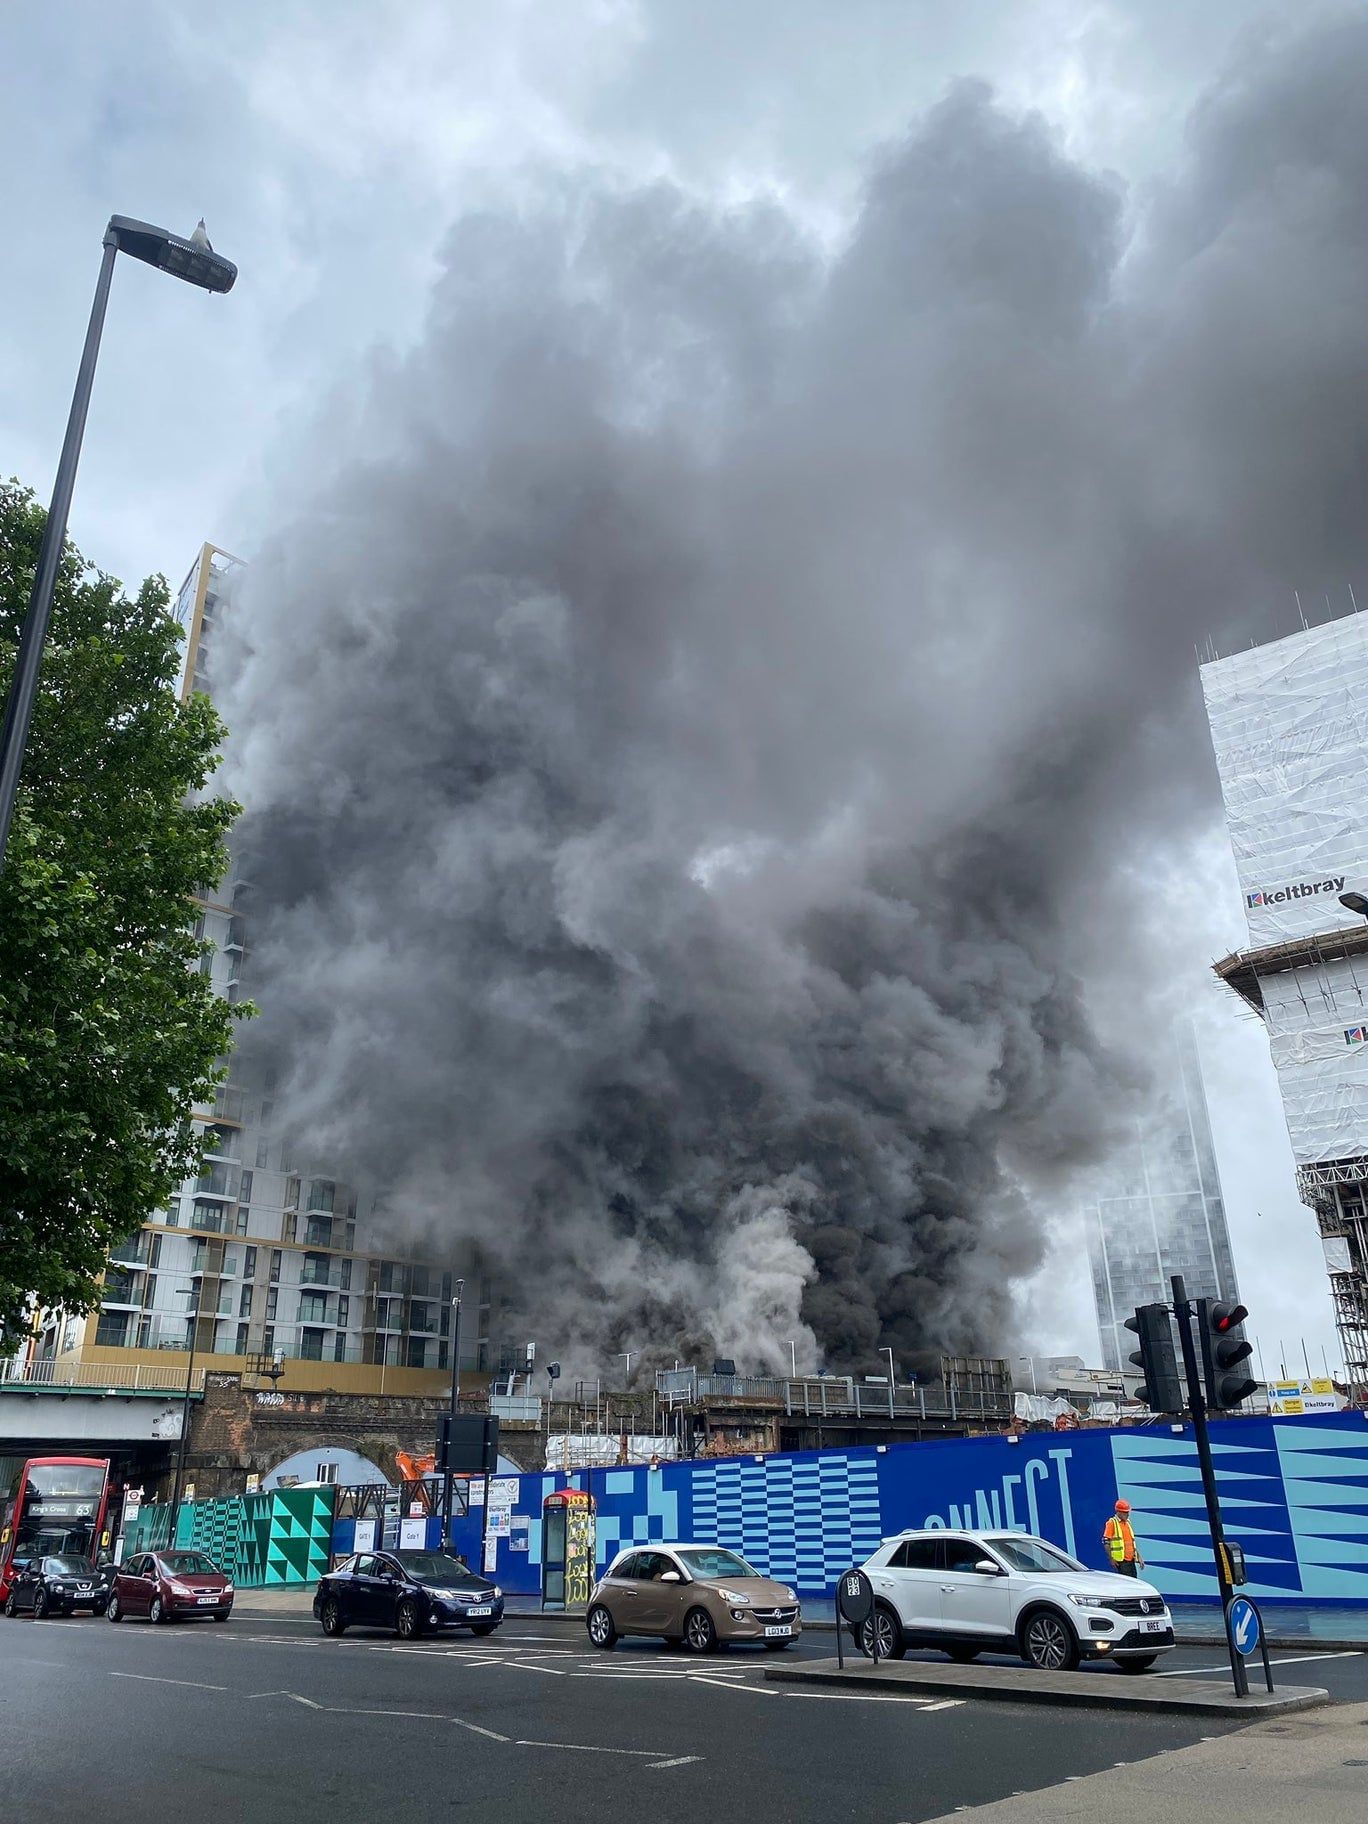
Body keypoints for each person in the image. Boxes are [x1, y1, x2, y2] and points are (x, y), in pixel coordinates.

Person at [1103, 1498, 1143, 1576]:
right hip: (1121, 1562)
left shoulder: (1128, 1523)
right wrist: (1111, 1559)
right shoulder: (1112, 1523)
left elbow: (1131, 1543)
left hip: (1131, 1560)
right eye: (1125, 1512)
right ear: (1118, 1512)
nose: (1128, 1514)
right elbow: (1106, 1542)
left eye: (1128, 1512)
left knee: (1133, 1582)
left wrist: (1138, 1557)